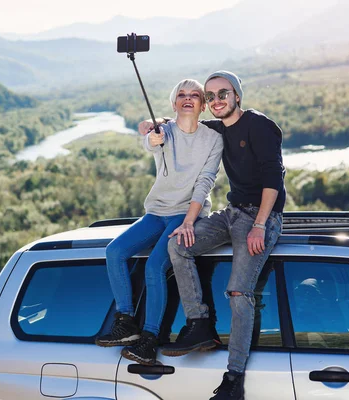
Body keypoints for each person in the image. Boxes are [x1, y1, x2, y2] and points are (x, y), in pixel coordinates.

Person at [138, 71, 286, 400]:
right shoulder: (217, 128)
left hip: (260, 217)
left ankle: (233, 379)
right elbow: (175, 120)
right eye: (211, 96)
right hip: (232, 213)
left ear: (237, 96)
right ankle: (200, 323)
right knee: (178, 244)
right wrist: (151, 127)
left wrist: (260, 225)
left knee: (238, 291)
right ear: (207, 103)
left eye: (224, 93)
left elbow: (273, 177)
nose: (217, 100)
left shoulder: (260, 125)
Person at [95, 79, 224, 366]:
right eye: (181, 94)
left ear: (203, 105)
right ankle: (126, 321)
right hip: (156, 212)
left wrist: (190, 222)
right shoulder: (163, 131)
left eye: (195, 95)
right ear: (174, 103)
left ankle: (149, 338)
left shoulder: (213, 139)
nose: (187, 98)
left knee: (155, 266)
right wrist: (150, 138)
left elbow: (205, 182)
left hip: (184, 213)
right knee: (114, 252)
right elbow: (151, 140)